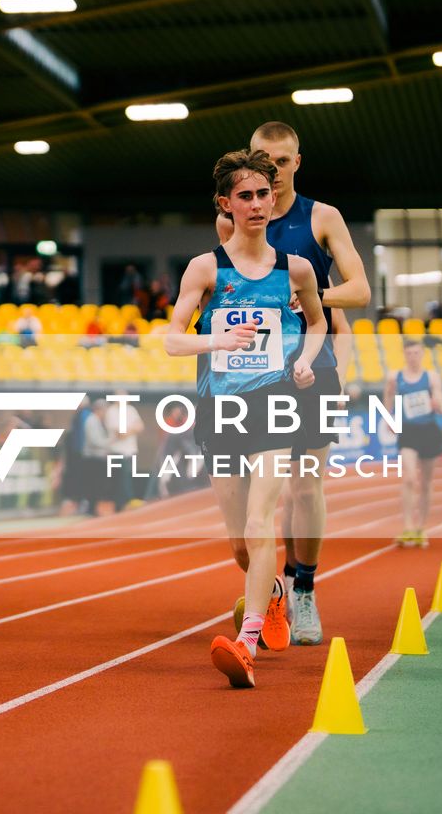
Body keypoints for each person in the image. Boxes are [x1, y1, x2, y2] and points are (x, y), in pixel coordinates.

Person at [167, 148, 325, 690]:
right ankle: (275, 594)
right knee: (240, 543)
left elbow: (319, 325)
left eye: (265, 194)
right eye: (246, 196)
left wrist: (302, 361)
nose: (257, 204)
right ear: (225, 204)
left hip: (275, 406)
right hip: (221, 409)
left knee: (263, 523)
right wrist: (217, 338)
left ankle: (247, 642)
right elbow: (171, 340)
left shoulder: (296, 269)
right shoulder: (206, 268)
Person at [219, 120, 368, 648]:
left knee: (305, 485)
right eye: (263, 160)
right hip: (250, 376)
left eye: (282, 163)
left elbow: (359, 290)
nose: (273, 172)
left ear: (296, 163)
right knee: (248, 507)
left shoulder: (322, 217)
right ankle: (270, 585)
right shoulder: (233, 218)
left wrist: (309, 298)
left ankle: (303, 591)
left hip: (310, 368)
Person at [385, 338, 442, 547]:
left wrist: (436, 403)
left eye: (416, 353)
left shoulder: (431, 378)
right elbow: (388, 400)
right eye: (409, 353)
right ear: (404, 354)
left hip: (428, 431)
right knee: (410, 478)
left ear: (422, 354)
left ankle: (421, 527)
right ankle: (407, 527)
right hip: (408, 432)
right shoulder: (395, 377)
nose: (413, 357)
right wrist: (388, 418)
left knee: (426, 483)